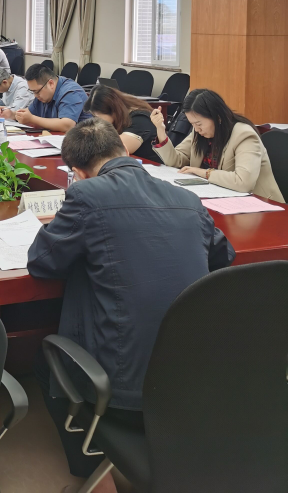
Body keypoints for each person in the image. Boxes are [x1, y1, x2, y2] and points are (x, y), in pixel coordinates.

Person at [28, 119, 235, 488]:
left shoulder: (86, 195)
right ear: (124, 150)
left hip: (125, 395)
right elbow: (223, 255)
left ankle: (95, 477)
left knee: (44, 362)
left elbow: (42, 262)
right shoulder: (187, 200)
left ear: (78, 173)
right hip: (195, 383)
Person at [151, 88, 283, 201]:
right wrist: (161, 131)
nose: (196, 129)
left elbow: (243, 182)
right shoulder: (199, 132)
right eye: (192, 124)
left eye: (199, 124)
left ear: (218, 118)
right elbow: (175, 161)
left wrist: (204, 173)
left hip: (260, 205)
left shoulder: (244, 135)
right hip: (220, 198)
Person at [84, 84, 160, 162]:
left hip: (151, 166)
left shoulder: (140, 119)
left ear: (113, 110)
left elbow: (115, 149)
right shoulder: (122, 114)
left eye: (97, 117)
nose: (96, 120)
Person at [15, 63, 92, 132]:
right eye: (33, 92)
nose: (35, 95)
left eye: (37, 91)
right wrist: (13, 114)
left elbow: (67, 125)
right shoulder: (43, 93)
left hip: (84, 140)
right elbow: (29, 113)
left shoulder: (71, 92)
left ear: (51, 83)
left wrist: (32, 119)